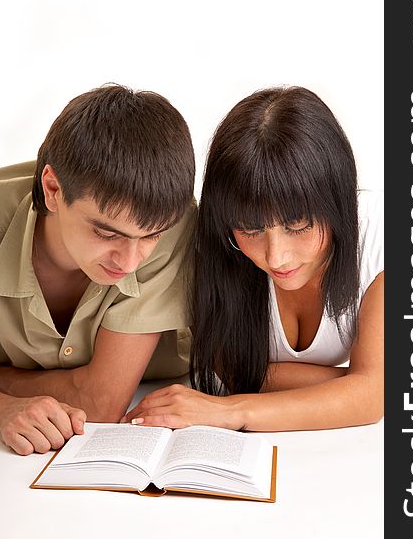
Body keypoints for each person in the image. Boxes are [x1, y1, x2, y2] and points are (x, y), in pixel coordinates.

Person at [124, 85, 383, 432]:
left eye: (298, 225)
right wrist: (349, 383)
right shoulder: (212, 245)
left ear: (336, 203)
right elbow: (234, 370)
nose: (276, 257)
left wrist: (232, 411)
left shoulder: (378, 236)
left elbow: (370, 398)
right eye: (250, 229)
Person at [0, 84, 196, 454]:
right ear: (52, 189)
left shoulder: (174, 222)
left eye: (150, 237)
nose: (130, 262)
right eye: (105, 232)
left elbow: (100, 404)